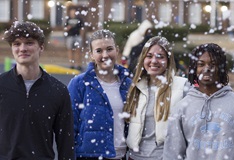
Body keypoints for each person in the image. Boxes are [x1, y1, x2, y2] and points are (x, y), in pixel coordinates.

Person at [0, 21, 75, 159]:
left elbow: (66, 142)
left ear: (41, 47)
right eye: (17, 44)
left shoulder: (58, 90)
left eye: (29, 43)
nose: (22, 48)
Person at [163, 43, 234, 160]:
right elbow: (172, 153)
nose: (207, 68)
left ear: (222, 68)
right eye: (201, 64)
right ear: (194, 69)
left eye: (213, 64)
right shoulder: (182, 107)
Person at [68, 29, 132, 160]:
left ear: (117, 50)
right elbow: (69, 126)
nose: (105, 55)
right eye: (99, 51)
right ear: (91, 54)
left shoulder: (128, 83)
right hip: (89, 156)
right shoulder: (79, 83)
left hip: (121, 155)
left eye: (109, 49)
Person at [123, 36, 189, 160]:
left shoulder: (182, 87)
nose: (154, 61)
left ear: (168, 60)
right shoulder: (134, 87)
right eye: (149, 56)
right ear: (143, 59)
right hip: (134, 157)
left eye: (160, 56)